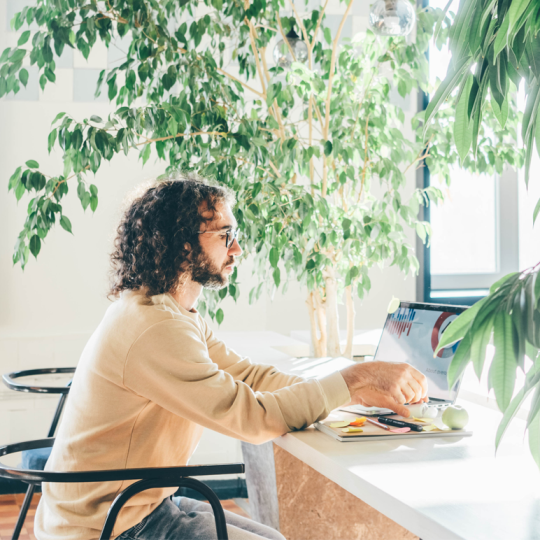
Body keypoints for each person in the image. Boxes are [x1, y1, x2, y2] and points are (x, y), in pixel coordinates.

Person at [35, 173, 428, 540]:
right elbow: (253, 417)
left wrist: (350, 390)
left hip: (134, 502)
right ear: (183, 243)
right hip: (110, 525)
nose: (237, 248)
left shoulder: (167, 311)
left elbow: (247, 376)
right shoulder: (156, 327)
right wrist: (353, 379)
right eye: (225, 235)